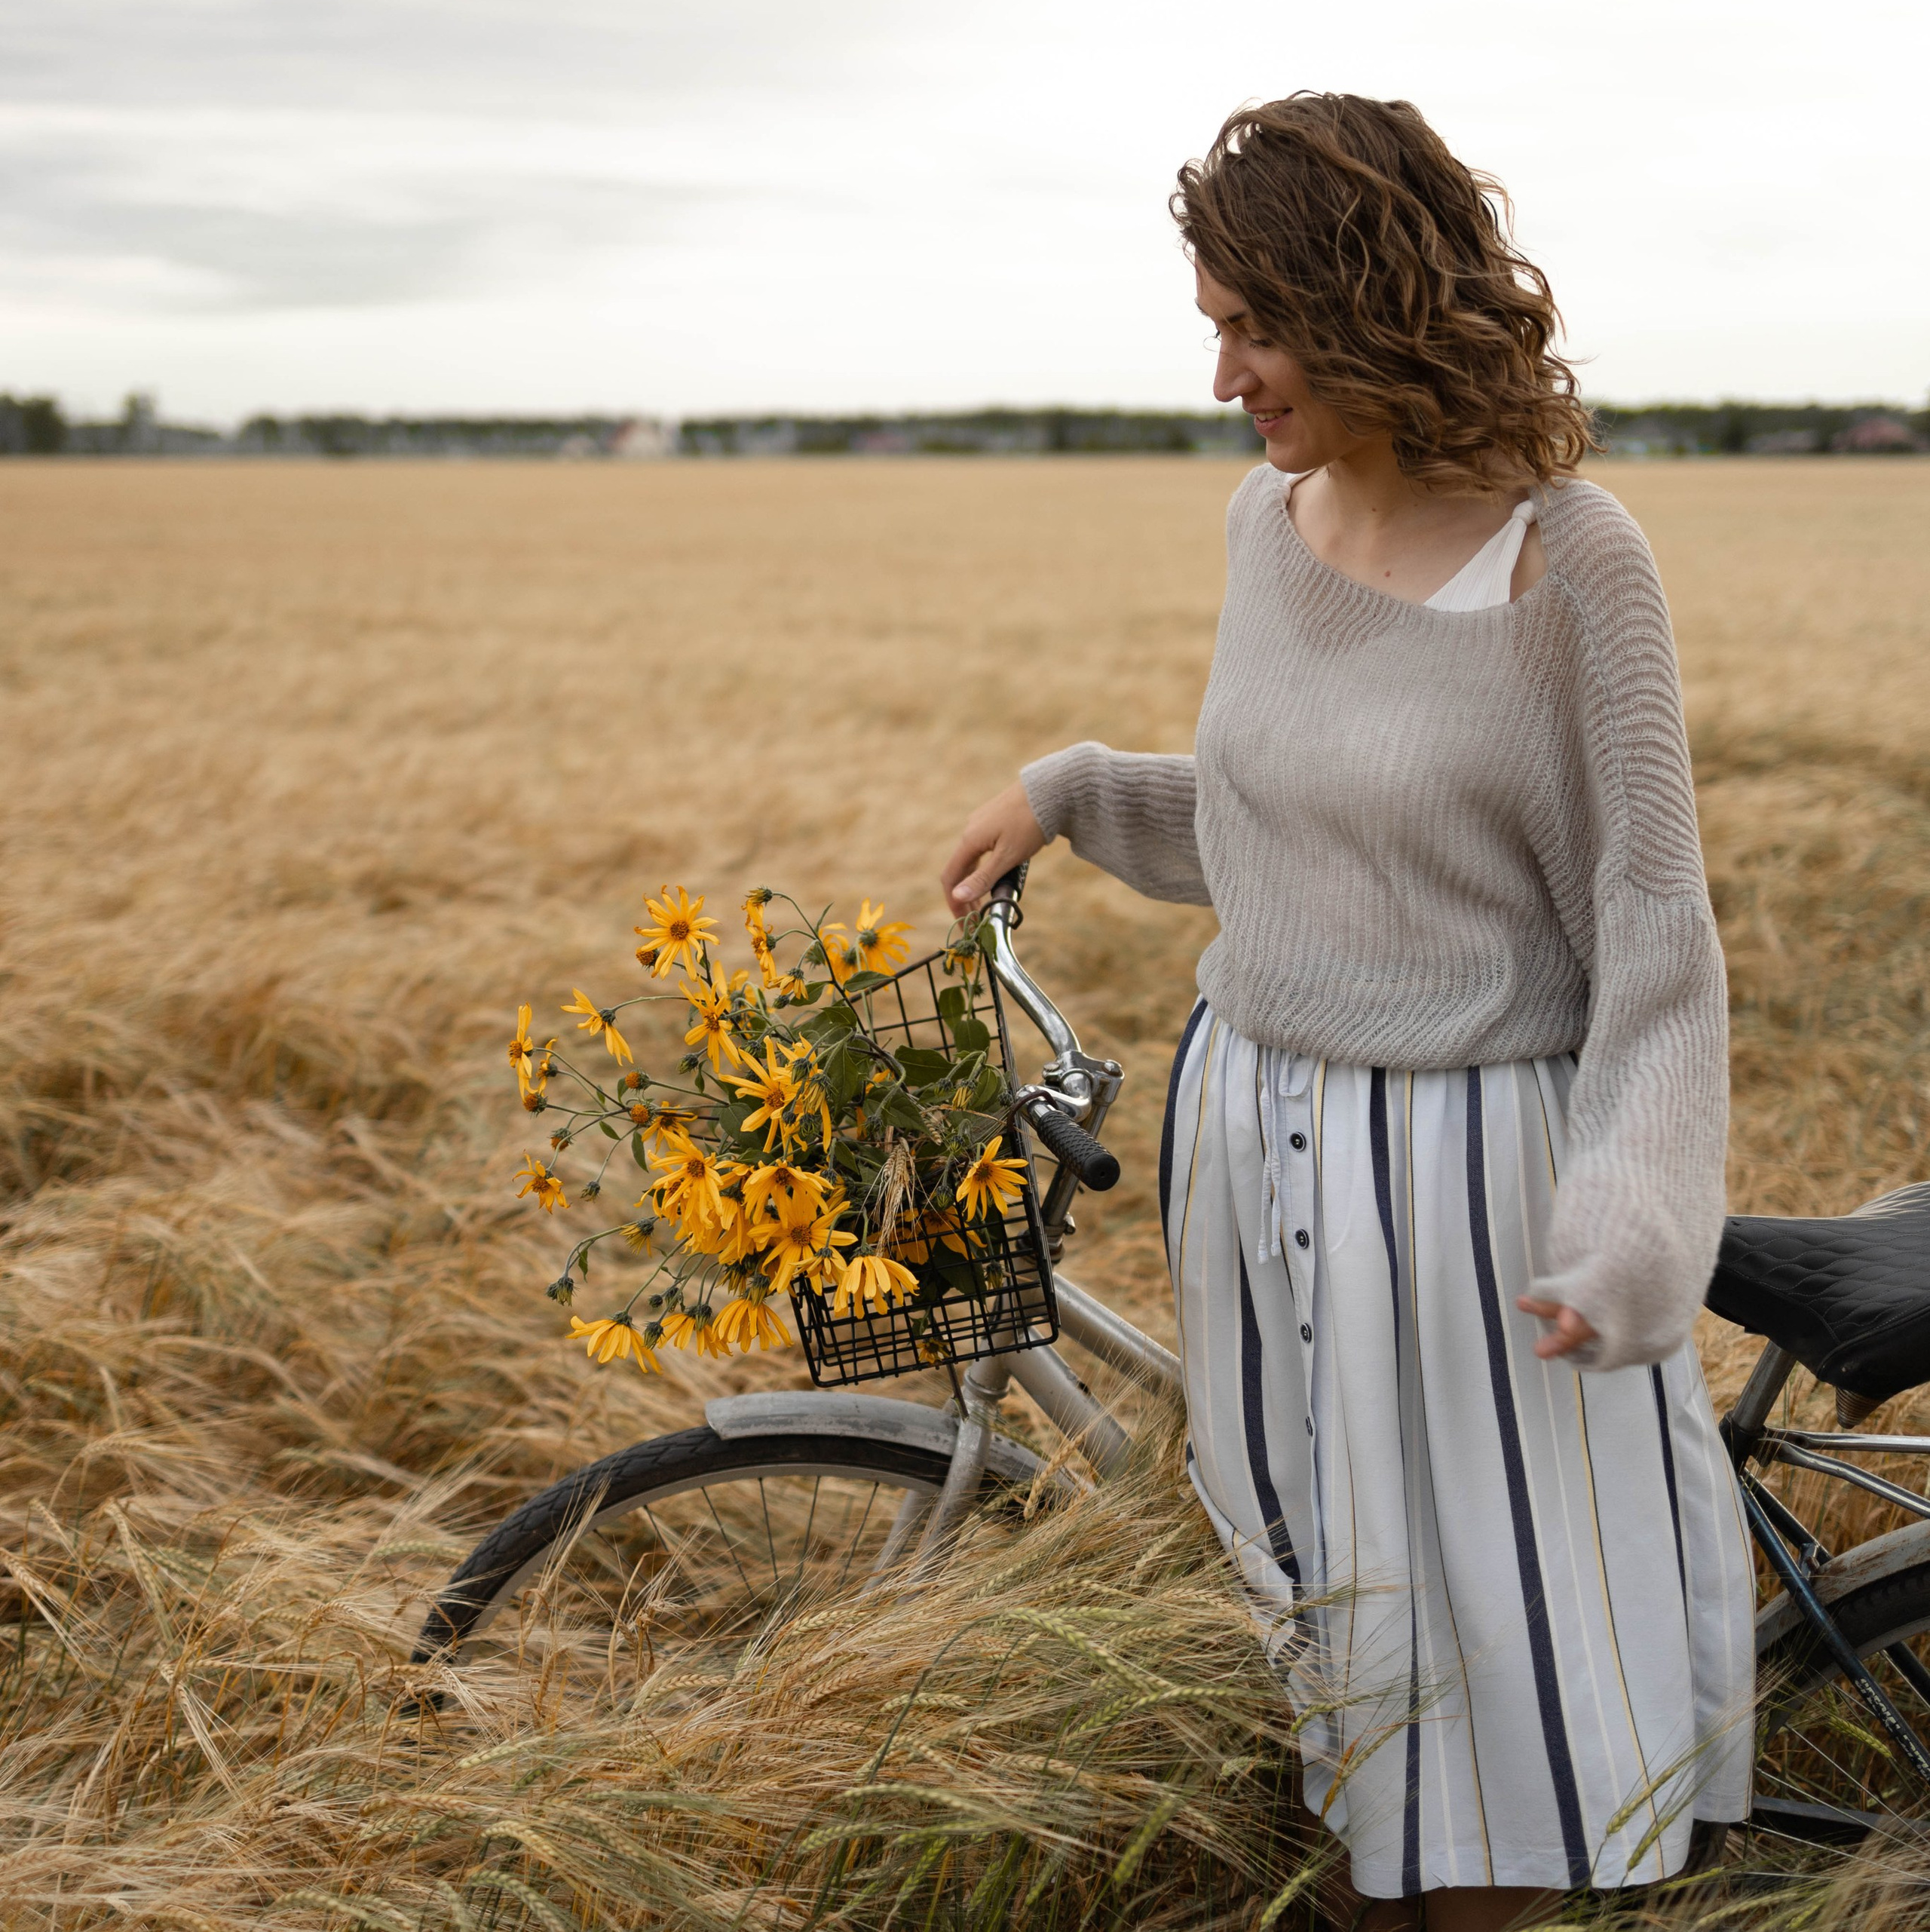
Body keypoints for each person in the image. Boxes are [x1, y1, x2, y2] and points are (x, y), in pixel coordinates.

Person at [941, 94, 1754, 1932]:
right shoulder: (1265, 517)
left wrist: (1629, 1230)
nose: (1221, 373)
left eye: (1254, 326)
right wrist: (1077, 791)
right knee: (1330, 1636)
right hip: (1249, 1146)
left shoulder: (1567, 562)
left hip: (1469, 1189)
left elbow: (1652, 934)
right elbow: (1296, 829)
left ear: (1368, 304)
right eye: (1212, 324)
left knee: (1496, 1657)